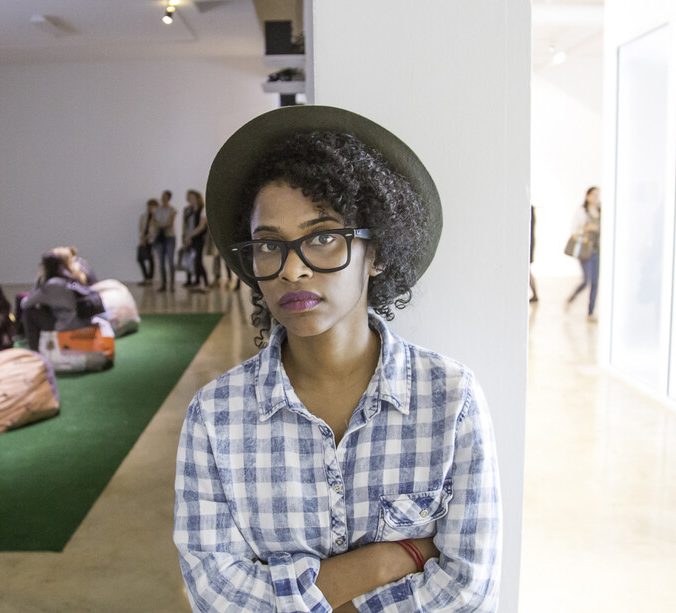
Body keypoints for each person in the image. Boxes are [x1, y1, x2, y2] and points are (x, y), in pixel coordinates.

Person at [174, 106, 501, 612]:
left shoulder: (450, 399)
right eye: (269, 245)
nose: (294, 269)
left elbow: (470, 591)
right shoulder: (215, 417)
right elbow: (216, 596)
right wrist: (389, 561)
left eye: (323, 237)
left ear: (376, 253)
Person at [20, 250, 103, 350]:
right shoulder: (70, 279)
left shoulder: (50, 285)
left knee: (29, 312)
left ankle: (34, 351)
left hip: (67, 324)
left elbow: (25, 304)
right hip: (83, 320)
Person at [566, 186, 601, 321]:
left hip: (597, 251)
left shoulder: (600, 211)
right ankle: (572, 297)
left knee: (595, 282)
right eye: (593, 195)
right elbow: (574, 230)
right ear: (587, 196)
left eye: (598, 195)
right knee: (586, 280)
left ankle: (590, 312)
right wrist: (587, 228)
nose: (596, 198)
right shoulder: (582, 212)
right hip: (586, 251)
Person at [183, 189, 210, 293]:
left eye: (192, 197)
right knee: (195, 261)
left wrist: (190, 235)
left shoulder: (202, 210)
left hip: (198, 239)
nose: (190, 199)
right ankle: (197, 283)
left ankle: (205, 284)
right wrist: (186, 237)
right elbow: (187, 225)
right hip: (191, 239)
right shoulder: (189, 210)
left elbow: (201, 226)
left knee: (198, 261)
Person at [152, 190, 178, 292]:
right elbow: (154, 222)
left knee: (170, 261)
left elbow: (170, 223)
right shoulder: (157, 210)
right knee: (161, 262)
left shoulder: (172, 209)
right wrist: (163, 225)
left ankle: (172, 284)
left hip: (170, 237)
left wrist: (161, 225)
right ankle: (163, 284)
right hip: (160, 237)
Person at [137, 199, 158, 286]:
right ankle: (146, 277)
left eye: (152, 206)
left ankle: (150, 278)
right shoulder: (143, 216)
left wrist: (148, 237)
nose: (150, 208)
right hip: (143, 240)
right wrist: (142, 238)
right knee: (140, 258)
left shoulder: (156, 217)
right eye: (149, 206)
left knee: (150, 259)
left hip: (151, 241)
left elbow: (156, 230)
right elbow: (141, 228)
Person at [529, 204, 538, 303]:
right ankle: (535, 294)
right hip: (530, 244)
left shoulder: (528, 208)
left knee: (527, 271)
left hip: (528, 244)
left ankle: (535, 294)